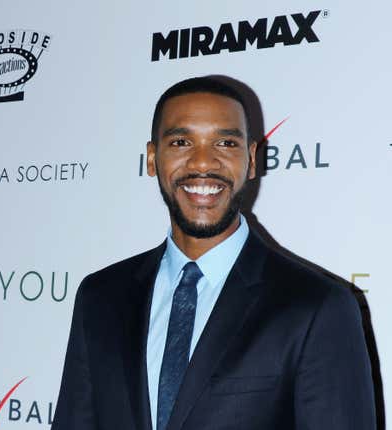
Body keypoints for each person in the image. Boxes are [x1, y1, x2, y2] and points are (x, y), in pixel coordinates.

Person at [51, 77, 376, 430]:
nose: (203, 162)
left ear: (251, 160)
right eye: (180, 142)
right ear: (151, 158)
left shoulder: (317, 307)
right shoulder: (100, 297)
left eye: (225, 142)